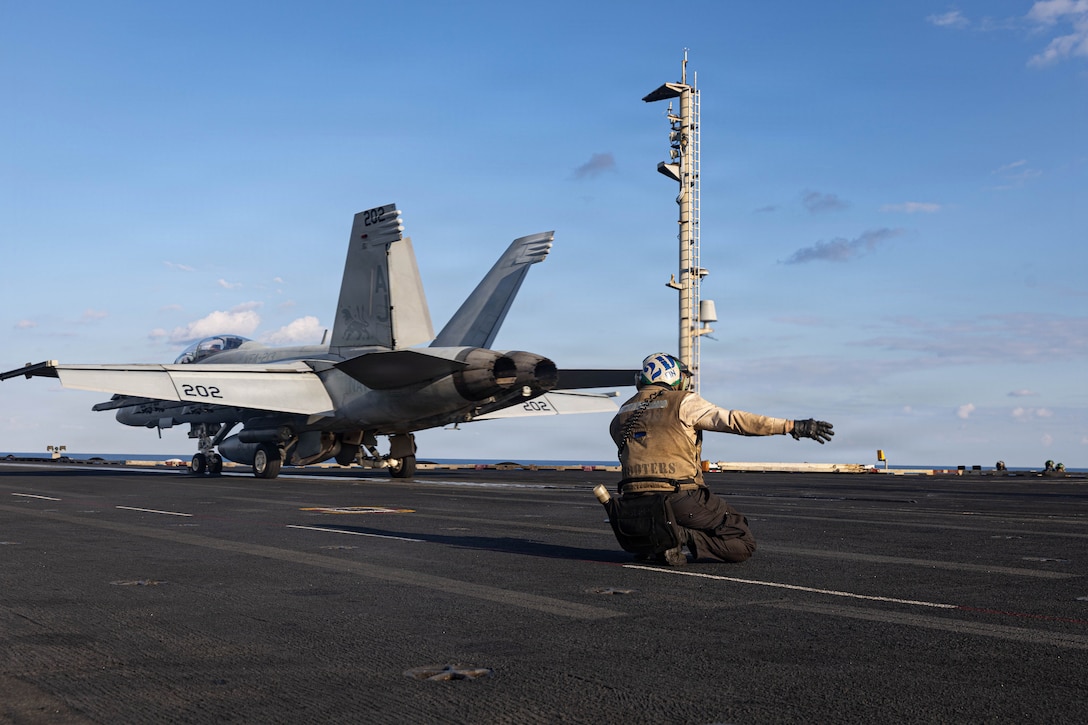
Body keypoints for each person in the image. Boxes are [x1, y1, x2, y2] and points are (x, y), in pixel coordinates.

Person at [608, 352, 834, 565]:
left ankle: (658, 538)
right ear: (672, 375)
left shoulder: (623, 412)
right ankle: (681, 535)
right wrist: (791, 426)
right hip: (679, 495)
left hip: (634, 500)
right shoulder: (683, 402)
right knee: (741, 540)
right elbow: (733, 420)